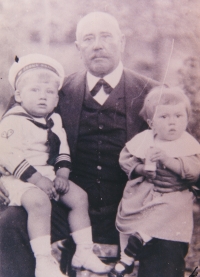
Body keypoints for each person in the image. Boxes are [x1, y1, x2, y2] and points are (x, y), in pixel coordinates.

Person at [0, 11, 192, 277]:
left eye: (106, 37)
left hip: (137, 206)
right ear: (79, 48)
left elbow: (190, 151)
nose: (97, 45)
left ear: (122, 42)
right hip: (68, 204)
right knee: (10, 223)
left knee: (166, 243)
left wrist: (181, 179)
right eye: (88, 39)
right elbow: (7, 140)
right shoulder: (53, 91)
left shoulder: (154, 93)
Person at [0, 53, 110, 277]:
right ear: (18, 96)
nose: (43, 97)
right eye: (35, 90)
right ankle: (44, 261)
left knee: (79, 197)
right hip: (19, 178)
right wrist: (38, 181)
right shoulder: (13, 121)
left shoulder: (54, 119)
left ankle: (84, 250)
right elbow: (8, 155)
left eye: (49, 92)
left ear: (56, 99)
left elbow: (62, 149)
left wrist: (62, 174)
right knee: (39, 202)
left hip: (47, 175)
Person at [109, 86, 200, 277]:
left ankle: (139, 242)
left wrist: (169, 161)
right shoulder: (145, 139)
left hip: (171, 208)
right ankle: (129, 256)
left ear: (186, 119)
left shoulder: (188, 144)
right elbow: (125, 158)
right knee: (133, 219)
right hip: (143, 198)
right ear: (151, 123)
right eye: (164, 117)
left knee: (166, 255)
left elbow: (193, 171)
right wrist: (140, 169)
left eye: (178, 116)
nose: (172, 122)